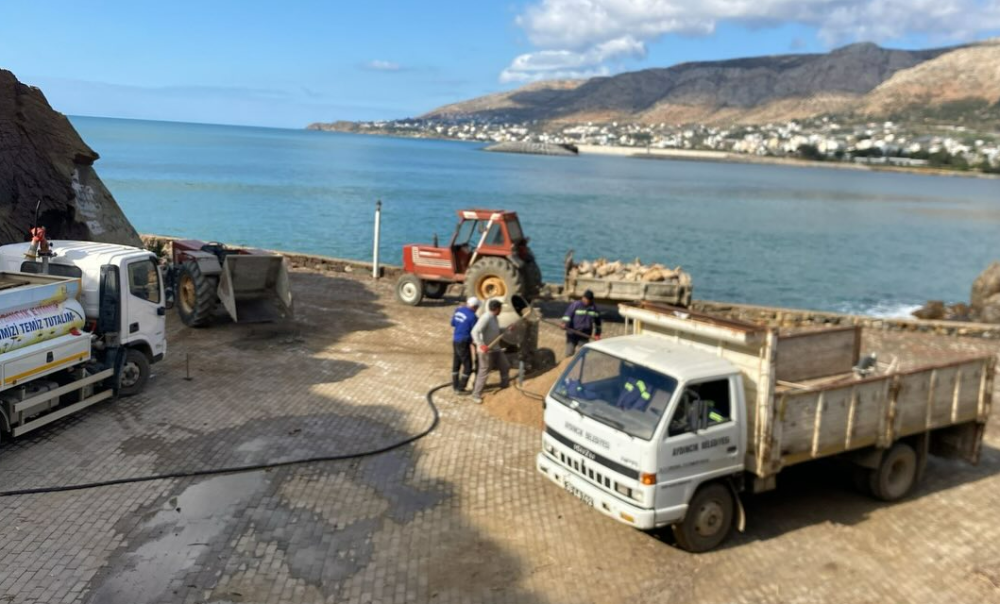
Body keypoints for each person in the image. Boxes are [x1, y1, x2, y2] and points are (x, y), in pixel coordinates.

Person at [470, 299, 510, 404]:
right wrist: (481, 345)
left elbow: (495, 331)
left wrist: (507, 329)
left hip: (496, 348)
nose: (501, 310)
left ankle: (505, 386)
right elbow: (474, 331)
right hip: (486, 351)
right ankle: (476, 395)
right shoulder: (486, 317)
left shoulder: (495, 317)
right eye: (500, 308)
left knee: (505, 365)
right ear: (497, 309)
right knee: (484, 372)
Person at [450, 296, 480, 393]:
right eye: (477, 308)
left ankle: (455, 385)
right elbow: (475, 331)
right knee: (468, 367)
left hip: (455, 340)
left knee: (456, 363)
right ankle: (460, 388)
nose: (477, 309)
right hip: (464, 342)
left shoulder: (459, 310)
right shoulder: (473, 317)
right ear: (474, 307)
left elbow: (453, 323)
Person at [561, 289, 602, 357]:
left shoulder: (594, 308)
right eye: (585, 299)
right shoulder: (575, 305)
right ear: (583, 297)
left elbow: (598, 323)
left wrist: (597, 334)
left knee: (582, 355)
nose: (586, 301)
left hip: (584, 335)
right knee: (569, 353)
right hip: (572, 333)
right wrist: (564, 323)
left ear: (591, 300)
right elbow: (567, 315)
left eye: (588, 300)